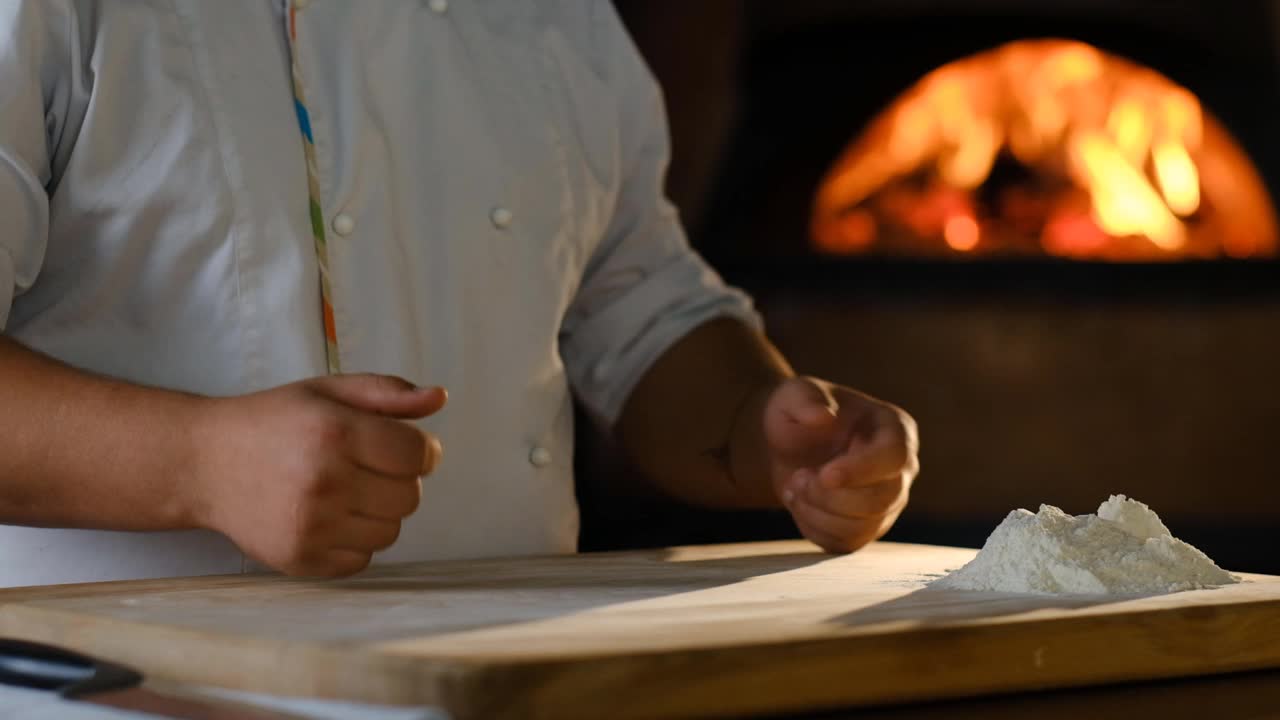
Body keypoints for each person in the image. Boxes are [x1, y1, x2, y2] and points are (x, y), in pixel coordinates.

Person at [0, 0, 919, 588]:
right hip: (112, 694)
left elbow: (639, 298)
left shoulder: (557, 20)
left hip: (496, 680)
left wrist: (768, 430)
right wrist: (198, 465)